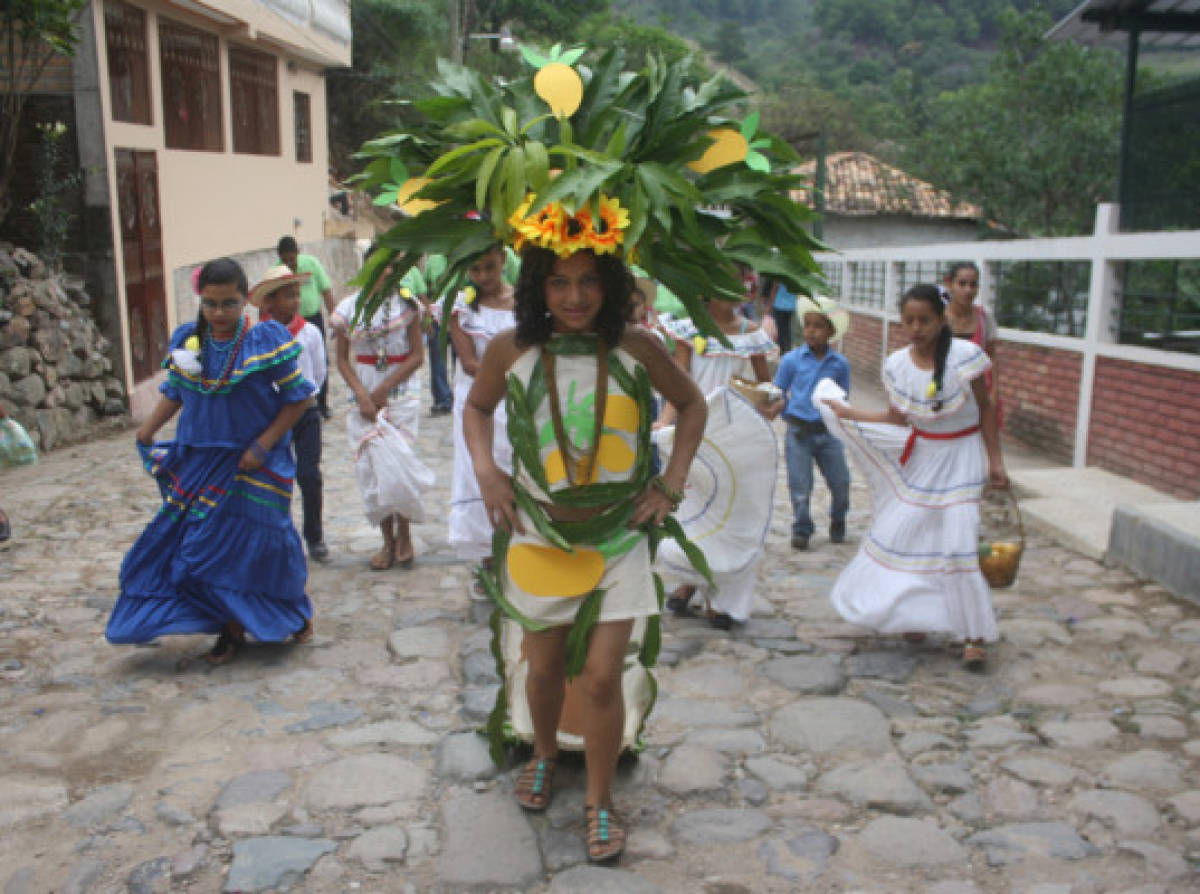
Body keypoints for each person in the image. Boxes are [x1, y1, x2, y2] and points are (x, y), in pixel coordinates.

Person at [465, 244, 706, 863]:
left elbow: (693, 403)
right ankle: (545, 753)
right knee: (543, 669)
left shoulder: (637, 349)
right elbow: (477, 406)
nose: (575, 297)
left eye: (589, 282)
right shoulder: (512, 351)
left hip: (619, 538)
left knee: (602, 677)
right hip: (540, 536)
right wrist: (488, 473)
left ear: (613, 284)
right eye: (560, 283)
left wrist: (670, 482)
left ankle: (599, 801)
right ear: (537, 289)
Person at [106, 258, 316, 664]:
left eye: (229, 304)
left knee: (264, 545)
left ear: (245, 302)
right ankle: (229, 626)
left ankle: (285, 612)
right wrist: (147, 430)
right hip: (201, 461)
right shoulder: (189, 341)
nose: (219, 313)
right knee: (201, 549)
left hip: (254, 462)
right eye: (210, 304)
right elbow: (176, 391)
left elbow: (298, 400)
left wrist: (262, 446)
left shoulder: (264, 341)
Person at [819, 283, 1009, 669]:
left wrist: (995, 460)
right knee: (909, 535)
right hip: (922, 458)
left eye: (925, 320)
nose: (917, 327)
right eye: (909, 321)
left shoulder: (966, 357)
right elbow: (896, 419)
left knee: (957, 544)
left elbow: (986, 408)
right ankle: (916, 615)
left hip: (962, 455)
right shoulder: (897, 365)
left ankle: (973, 635)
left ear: (941, 320)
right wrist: (851, 414)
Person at [658, 297, 778, 629]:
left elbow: (763, 384)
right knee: (694, 512)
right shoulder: (689, 332)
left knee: (733, 515)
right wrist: (666, 423)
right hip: (696, 435)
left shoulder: (752, 335)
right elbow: (678, 380)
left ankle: (720, 599)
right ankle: (690, 580)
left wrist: (772, 400)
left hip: (737, 437)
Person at [331, 246, 425, 570]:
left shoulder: (407, 306)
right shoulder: (348, 308)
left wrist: (385, 388)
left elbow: (417, 355)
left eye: (388, 268)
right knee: (372, 468)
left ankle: (405, 533)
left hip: (401, 390)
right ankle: (386, 540)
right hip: (364, 392)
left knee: (396, 466)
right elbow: (342, 359)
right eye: (376, 266)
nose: (383, 273)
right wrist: (362, 393)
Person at [251, 265, 330, 563]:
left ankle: (315, 535)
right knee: (274, 477)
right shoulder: (259, 337)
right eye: (288, 295)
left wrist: (305, 398)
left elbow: (319, 372)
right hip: (273, 417)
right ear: (269, 301)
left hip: (305, 413)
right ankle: (276, 536)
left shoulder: (309, 333)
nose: (295, 300)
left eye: (297, 294)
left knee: (309, 474)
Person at [761, 295, 852, 550]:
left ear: (831, 332)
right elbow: (778, 391)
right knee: (800, 486)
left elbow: (844, 396)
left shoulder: (840, 364)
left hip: (828, 432)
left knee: (841, 482)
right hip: (798, 432)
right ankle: (802, 528)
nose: (811, 331)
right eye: (808, 325)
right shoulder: (791, 360)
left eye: (818, 326)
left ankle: (838, 518)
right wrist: (775, 406)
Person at [447, 244, 516, 571]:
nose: (484, 276)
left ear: (503, 259)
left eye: (490, 267)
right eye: (475, 270)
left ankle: (518, 551)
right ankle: (487, 557)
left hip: (518, 401)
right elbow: (470, 362)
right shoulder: (462, 308)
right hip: (478, 402)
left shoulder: (525, 303)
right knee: (481, 473)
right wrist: (510, 373)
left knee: (516, 467)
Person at [277, 236, 335, 419]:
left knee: (320, 360)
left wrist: (334, 316)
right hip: (287, 324)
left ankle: (320, 403)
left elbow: (326, 290)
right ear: (279, 257)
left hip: (312, 319)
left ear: (298, 253)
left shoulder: (312, 264)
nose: (289, 263)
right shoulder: (276, 272)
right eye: (285, 260)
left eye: (291, 259)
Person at [943, 261, 1003, 428]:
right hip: (945, 394)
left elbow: (991, 356)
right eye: (962, 284)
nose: (968, 290)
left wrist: (995, 392)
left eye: (973, 285)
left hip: (979, 395)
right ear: (949, 284)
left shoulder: (985, 317)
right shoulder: (938, 318)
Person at [419, 253, 454, 416]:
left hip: (460, 315)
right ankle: (442, 399)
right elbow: (426, 288)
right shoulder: (433, 260)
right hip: (438, 316)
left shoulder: (466, 256)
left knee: (461, 359)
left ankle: (465, 395)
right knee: (437, 358)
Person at [770, 277, 797, 354]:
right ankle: (787, 347)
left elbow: (774, 290)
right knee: (787, 328)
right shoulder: (794, 277)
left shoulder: (780, 276)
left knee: (780, 328)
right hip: (791, 306)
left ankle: (783, 349)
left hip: (779, 305)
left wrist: (770, 305)